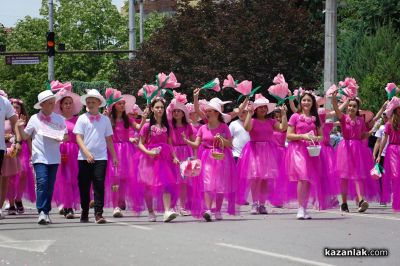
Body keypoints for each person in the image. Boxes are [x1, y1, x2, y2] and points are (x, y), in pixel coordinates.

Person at [17, 90, 67, 225]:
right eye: (49, 103)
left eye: (53, 102)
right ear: (42, 105)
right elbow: (25, 136)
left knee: (49, 186)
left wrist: (60, 137)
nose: (52, 105)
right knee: (42, 183)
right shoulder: (34, 118)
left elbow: (65, 135)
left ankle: (46, 211)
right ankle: (42, 212)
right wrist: (21, 127)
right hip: (39, 157)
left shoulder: (59, 119)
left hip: (54, 157)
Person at [237, 94, 288, 214]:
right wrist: (249, 113)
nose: (263, 109)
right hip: (254, 150)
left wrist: (284, 114)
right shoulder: (253, 120)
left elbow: (282, 128)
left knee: (265, 179)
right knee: (255, 179)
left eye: (265, 107)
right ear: (255, 109)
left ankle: (262, 204)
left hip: (268, 151)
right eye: (260, 107)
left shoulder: (271, 121)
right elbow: (247, 128)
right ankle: (254, 204)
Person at [73, 89, 118, 224]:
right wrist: (86, 153)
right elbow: (78, 138)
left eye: (93, 101)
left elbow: (109, 140)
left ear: (99, 103)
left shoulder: (105, 120)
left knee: (99, 185)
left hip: (101, 158)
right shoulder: (82, 118)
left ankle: (99, 213)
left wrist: (114, 156)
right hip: (84, 158)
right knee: (84, 185)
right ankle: (85, 211)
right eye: (88, 102)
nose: (91, 104)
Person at [332, 90, 380, 213]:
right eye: (350, 105)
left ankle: (361, 200)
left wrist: (370, 132)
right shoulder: (343, 118)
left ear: (357, 108)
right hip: (345, 148)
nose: (351, 107)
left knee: (358, 175)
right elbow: (337, 110)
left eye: (354, 106)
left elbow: (362, 135)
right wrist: (334, 99)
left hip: (357, 149)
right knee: (344, 177)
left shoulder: (360, 120)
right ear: (347, 107)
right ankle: (343, 203)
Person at [135, 97, 180, 222]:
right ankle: (150, 211)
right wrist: (148, 152)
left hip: (164, 158)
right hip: (148, 158)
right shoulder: (146, 126)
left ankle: (166, 211)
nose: (160, 109)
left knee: (166, 184)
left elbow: (170, 143)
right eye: (157, 107)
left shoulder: (168, 126)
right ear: (152, 109)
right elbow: (140, 144)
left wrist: (175, 157)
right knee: (148, 186)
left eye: (161, 107)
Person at [52, 84, 83, 219]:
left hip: (75, 151)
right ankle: (67, 207)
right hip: (60, 151)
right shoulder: (56, 120)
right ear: (61, 105)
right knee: (63, 179)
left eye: (70, 103)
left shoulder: (79, 120)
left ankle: (72, 204)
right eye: (66, 103)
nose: (68, 105)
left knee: (74, 180)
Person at [377, 97, 400, 211]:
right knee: (395, 176)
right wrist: (379, 154)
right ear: (395, 110)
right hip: (393, 151)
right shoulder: (389, 124)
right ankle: (396, 201)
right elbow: (384, 139)